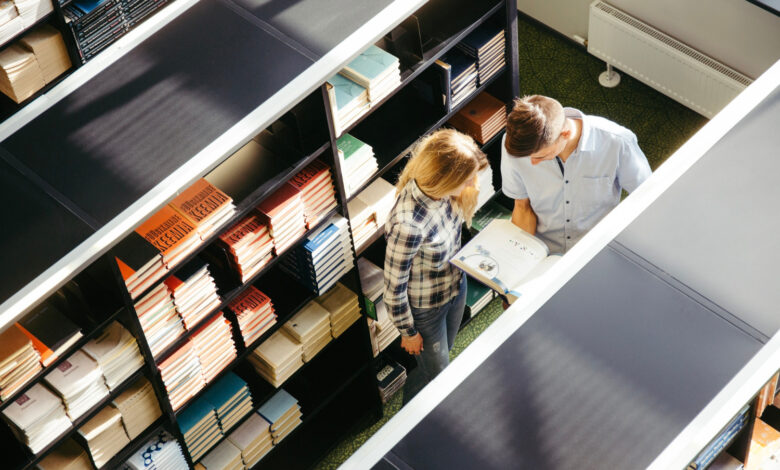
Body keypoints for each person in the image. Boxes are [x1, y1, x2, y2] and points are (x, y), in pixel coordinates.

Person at [384, 128, 488, 404]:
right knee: (438, 373)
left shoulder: (444, 195)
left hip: (455, 286)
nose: (470, 186)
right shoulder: (408, 224)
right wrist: (408, 332)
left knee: (442, 358)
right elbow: (393, 289)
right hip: (427, 310)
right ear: (445, 178)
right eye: (466, 180)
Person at [501, 95, 652, 254]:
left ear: (565, 134)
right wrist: (519, 256)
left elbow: (648, 197)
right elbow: (522, 207)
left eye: (541, 157)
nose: (532, 163)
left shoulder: (618, 142)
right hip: (543, 249)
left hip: (598, 248)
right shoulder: (516, 148)